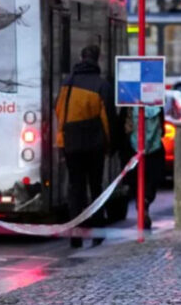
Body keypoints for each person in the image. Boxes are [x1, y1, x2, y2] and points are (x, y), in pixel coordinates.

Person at [55, 45, 117, 248]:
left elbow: (59, 112)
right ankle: (97, 233)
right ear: (97, 59)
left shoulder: (68, 83)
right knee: (96, 187)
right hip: (94, 145)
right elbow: (107, 119)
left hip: (71, 144)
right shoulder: (101, 85)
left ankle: (75, 235)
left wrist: (62, 141)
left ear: (81, 58)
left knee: (75, 189)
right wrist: (110, 145)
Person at [126, 104, 165, 228]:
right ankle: (146, 201)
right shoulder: (157, 103)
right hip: (154, 149)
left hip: (133, 149)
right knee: (152, 180)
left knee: (136, 181)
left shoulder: (130, 105)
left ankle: (141, 202)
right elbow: (162, 130)